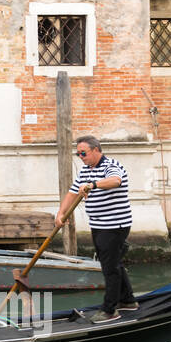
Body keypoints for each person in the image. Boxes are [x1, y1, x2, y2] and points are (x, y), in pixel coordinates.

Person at [56, 135, 138, 322]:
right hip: (99, 224)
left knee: (110, 267)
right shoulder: (86, 170)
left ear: (95, 150)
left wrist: (93, 185)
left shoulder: (111, 165)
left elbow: (115, 181)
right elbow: (72, 192)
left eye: (83, 153)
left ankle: (110, 310)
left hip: (115, 225)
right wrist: (60, 214)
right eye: (78, 154)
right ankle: (128, 301)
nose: (81, 157)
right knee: (112, 262)